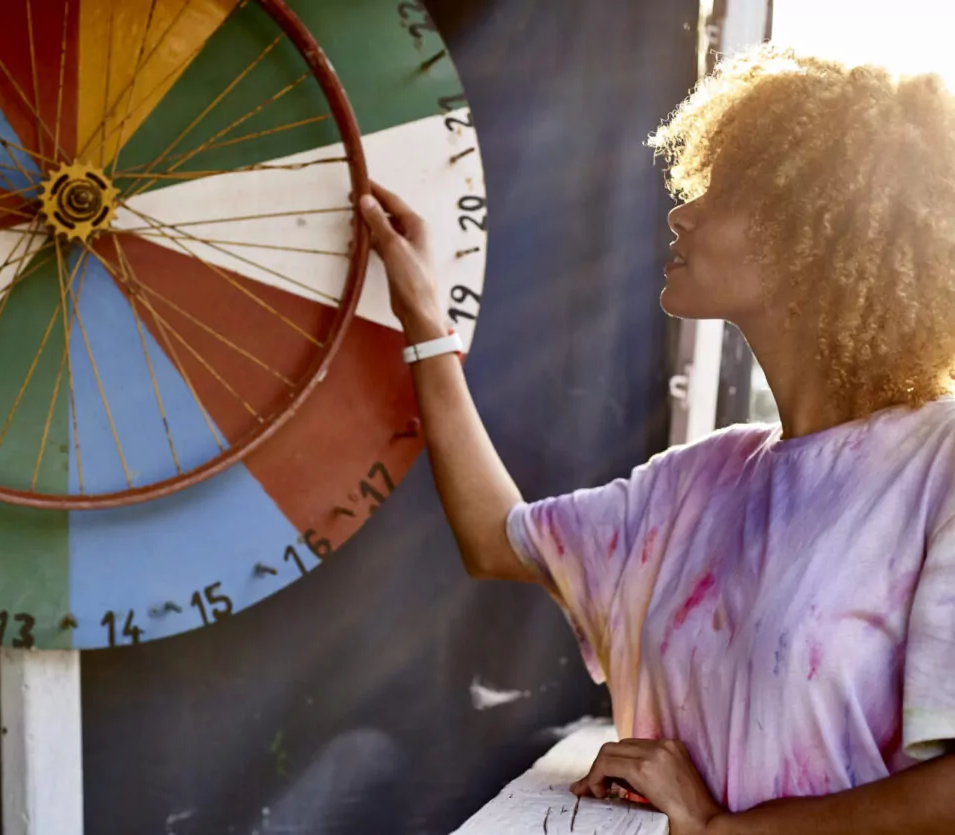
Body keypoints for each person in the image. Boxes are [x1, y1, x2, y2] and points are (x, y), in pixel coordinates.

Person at [358, 44, 955, 835]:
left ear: (820, 228)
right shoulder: (698, 480)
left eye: (725, 189)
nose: (681, 210)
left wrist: (721, 830)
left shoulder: (940, 464)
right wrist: (426, 324)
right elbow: (496, 539)